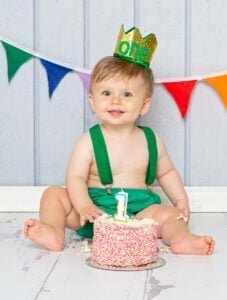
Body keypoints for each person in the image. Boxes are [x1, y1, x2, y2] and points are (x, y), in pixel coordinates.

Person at [24, 26, 214, 255]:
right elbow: (75, 177)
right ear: (93, 101)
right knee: (53, 194)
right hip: (96, 213)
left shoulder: (151, 139)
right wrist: (84, 206)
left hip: (141, 214)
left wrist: (180, 199)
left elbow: (166, 173)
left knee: (171, 216)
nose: (116, 100)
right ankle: (53, 231)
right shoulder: (89, 141)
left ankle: (181, 239)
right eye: (106, 93)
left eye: (127, 94)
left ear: (144, 105)